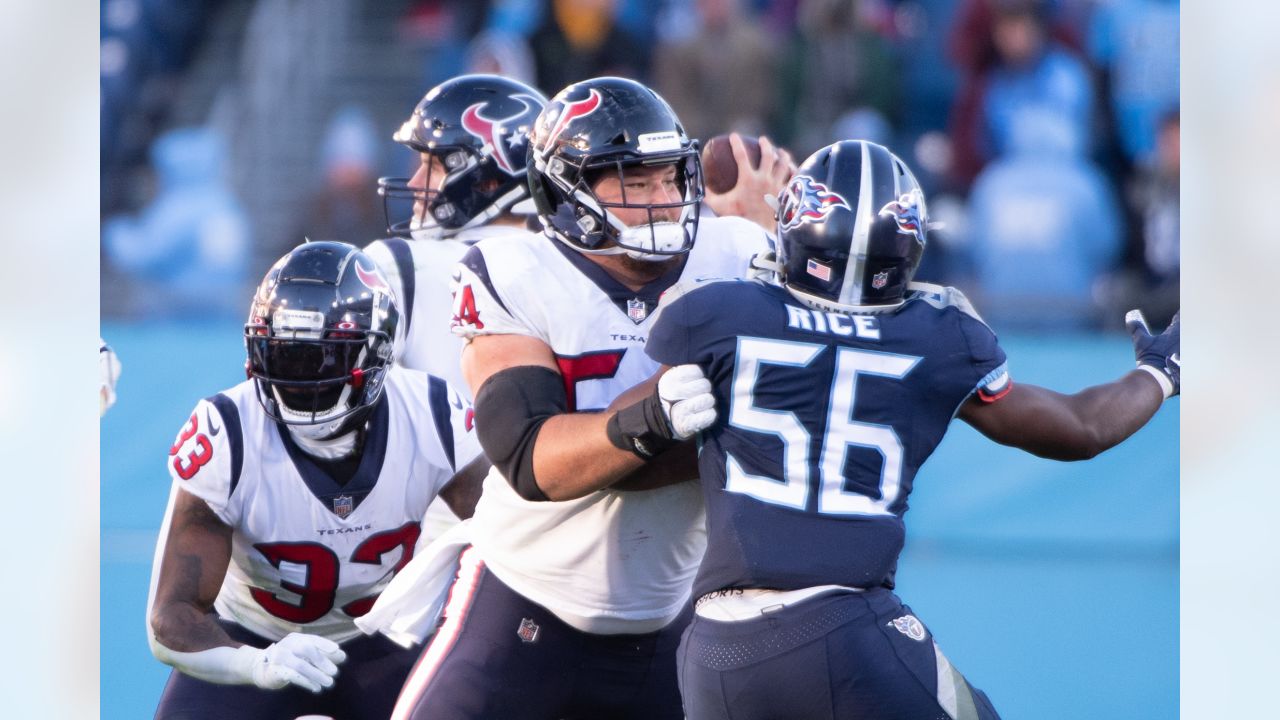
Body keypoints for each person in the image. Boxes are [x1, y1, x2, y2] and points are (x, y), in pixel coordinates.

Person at [641, 140, 1179, 719]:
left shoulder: (715, 313)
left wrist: (733, 227)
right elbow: (1081, 428)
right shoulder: (934, 336)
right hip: (841, 627)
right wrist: (1160, 372)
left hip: (712, 648)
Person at [389, 76, 773, 720]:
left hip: (667, 621)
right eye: (633, 180)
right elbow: (530, 459)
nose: (662, 201)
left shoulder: (740, 254)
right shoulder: (513, 270)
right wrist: (652, 419)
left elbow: (763, 444)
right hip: (520, 608)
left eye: (670, 178)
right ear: (567, 188)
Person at [147, 241, 488, 720]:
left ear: (377, 351)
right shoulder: (229, 431)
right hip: (254, 637)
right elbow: (170, 618)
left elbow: (511, 539)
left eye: (322, 358)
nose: (297, 379)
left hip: (383, 643)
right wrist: (256, 664)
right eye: (281, 354)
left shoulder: (431, 412)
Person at [364, 74, 547, 543]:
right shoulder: (578, 265)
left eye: (435, 164)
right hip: (558, 538)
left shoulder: (401, 266)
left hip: (427, 550)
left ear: (489, 173)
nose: (414, 181)